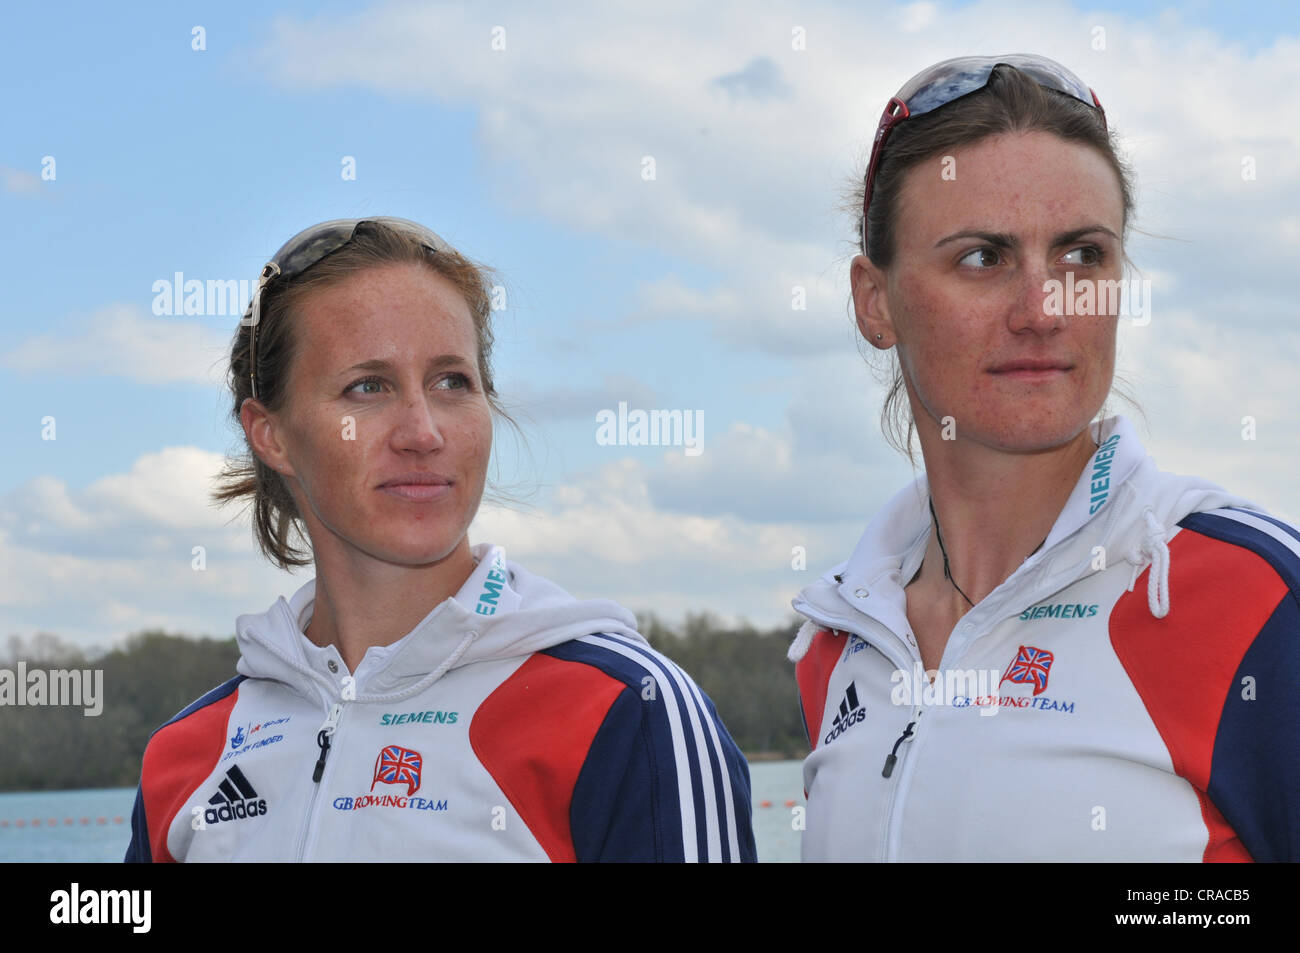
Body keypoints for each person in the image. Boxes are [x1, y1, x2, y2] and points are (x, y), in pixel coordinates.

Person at [788, 55, 1298, 862]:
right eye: (983, 258)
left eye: (1083, 256)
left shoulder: (1261, 601)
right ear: (874, 301)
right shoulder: (838, 642)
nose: (1043, 310)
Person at [124, 217, 755, 862]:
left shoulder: (627, 710)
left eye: (452, 381)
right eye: (367, 387)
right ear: (271, 434)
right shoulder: (188, 753)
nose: (422, 432)